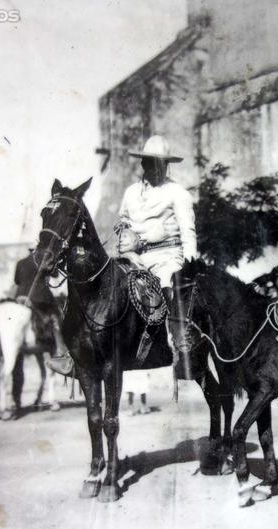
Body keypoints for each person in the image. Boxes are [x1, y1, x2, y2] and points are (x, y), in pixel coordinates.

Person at [115, 135, 197, 373]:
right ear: (143, 164)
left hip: (167, 256)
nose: (155, 168)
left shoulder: (177, 192)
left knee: (164, 290)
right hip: (135, 257)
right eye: (150, 163)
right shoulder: (130, 192)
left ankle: (176, 345)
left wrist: (188, 263)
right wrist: (123, 229)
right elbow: (123, 218)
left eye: (161, 164)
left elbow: (187, 230)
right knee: (112, 287)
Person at [14, 250, 70, 375]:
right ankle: (61, 349)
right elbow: (55, 275)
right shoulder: (43, 260)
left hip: (20, 296)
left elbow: (17, 280)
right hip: (38, 297)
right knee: (57, 315)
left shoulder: (20, 262)